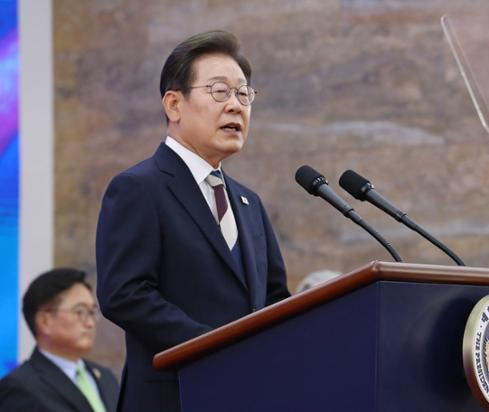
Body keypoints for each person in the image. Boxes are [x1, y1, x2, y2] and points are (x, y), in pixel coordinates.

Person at [95, 30, 290, 412]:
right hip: (173, 397)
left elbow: (275, 299)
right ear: (174, 105)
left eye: (244, 94)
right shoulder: (139, 188)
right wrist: (215, 346)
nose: (235, 106)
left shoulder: (249, 202)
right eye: (219, 91)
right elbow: (125, 294)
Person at [0, 268, 119, 412]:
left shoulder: (106, 378)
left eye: (92, 312)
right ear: (45, 321)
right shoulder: (19, 387)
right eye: (80, 311)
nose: (90, 323)